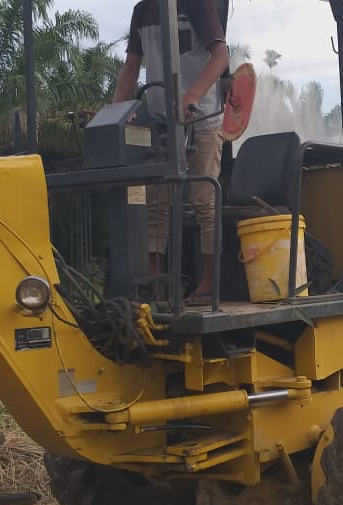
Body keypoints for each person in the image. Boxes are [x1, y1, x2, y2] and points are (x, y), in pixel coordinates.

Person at [114, 0, 230, 304]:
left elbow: (220, 56)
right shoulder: (142, 11)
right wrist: (114, 115)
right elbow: (131, 67)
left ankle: (209, 284)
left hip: (201, 119)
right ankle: (156, 284)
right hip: (162, 123)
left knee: (205, 199)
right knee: (155, 204)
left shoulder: (197, 5)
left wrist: (192, 95)